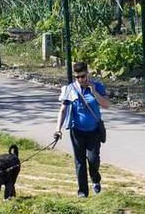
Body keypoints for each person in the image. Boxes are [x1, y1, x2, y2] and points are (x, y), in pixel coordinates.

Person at [53, 62, 109, 198]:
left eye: (83, 76)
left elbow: (106, 105)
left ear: (87, 74)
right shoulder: (70, 89)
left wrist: (94, 91)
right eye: (77, 77)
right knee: (79, 162)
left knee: (93, 159)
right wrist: (58, 129)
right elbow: (63, 109)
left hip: (94, 130)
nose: (80, 79)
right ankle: (82, 191)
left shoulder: (98, 86)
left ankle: (95, 179)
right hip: (77, 131)